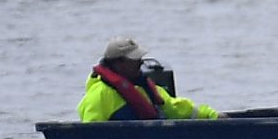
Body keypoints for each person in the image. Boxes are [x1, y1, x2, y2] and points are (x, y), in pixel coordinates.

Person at [76, 37, 217, 122]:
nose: (140, 63)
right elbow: (90, 136)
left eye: (140, 58)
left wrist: (212, 116)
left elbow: (175, 108)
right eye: (134, 59)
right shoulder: (98, 96)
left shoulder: (145, 87)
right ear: (118, 63)